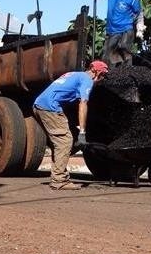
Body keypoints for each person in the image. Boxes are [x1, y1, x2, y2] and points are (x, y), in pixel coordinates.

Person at [33, 60, 109, 190]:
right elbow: (83, 104)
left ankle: (59, 172)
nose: (102, 79)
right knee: (65, 141)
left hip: (40, 104)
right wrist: (83, 132)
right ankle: (59, 180)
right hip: (49, 107)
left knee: (65, 138)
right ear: (96, 72)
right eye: (102, 76)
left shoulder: (75, 74)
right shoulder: (87, 80)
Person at [89, 0, 143, 67]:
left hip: (126, 29)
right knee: (106, 53)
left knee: (124, 48)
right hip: (112, 30)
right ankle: (107, 75)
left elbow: (139, 13)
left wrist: (140, 27)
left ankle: (127, 72)